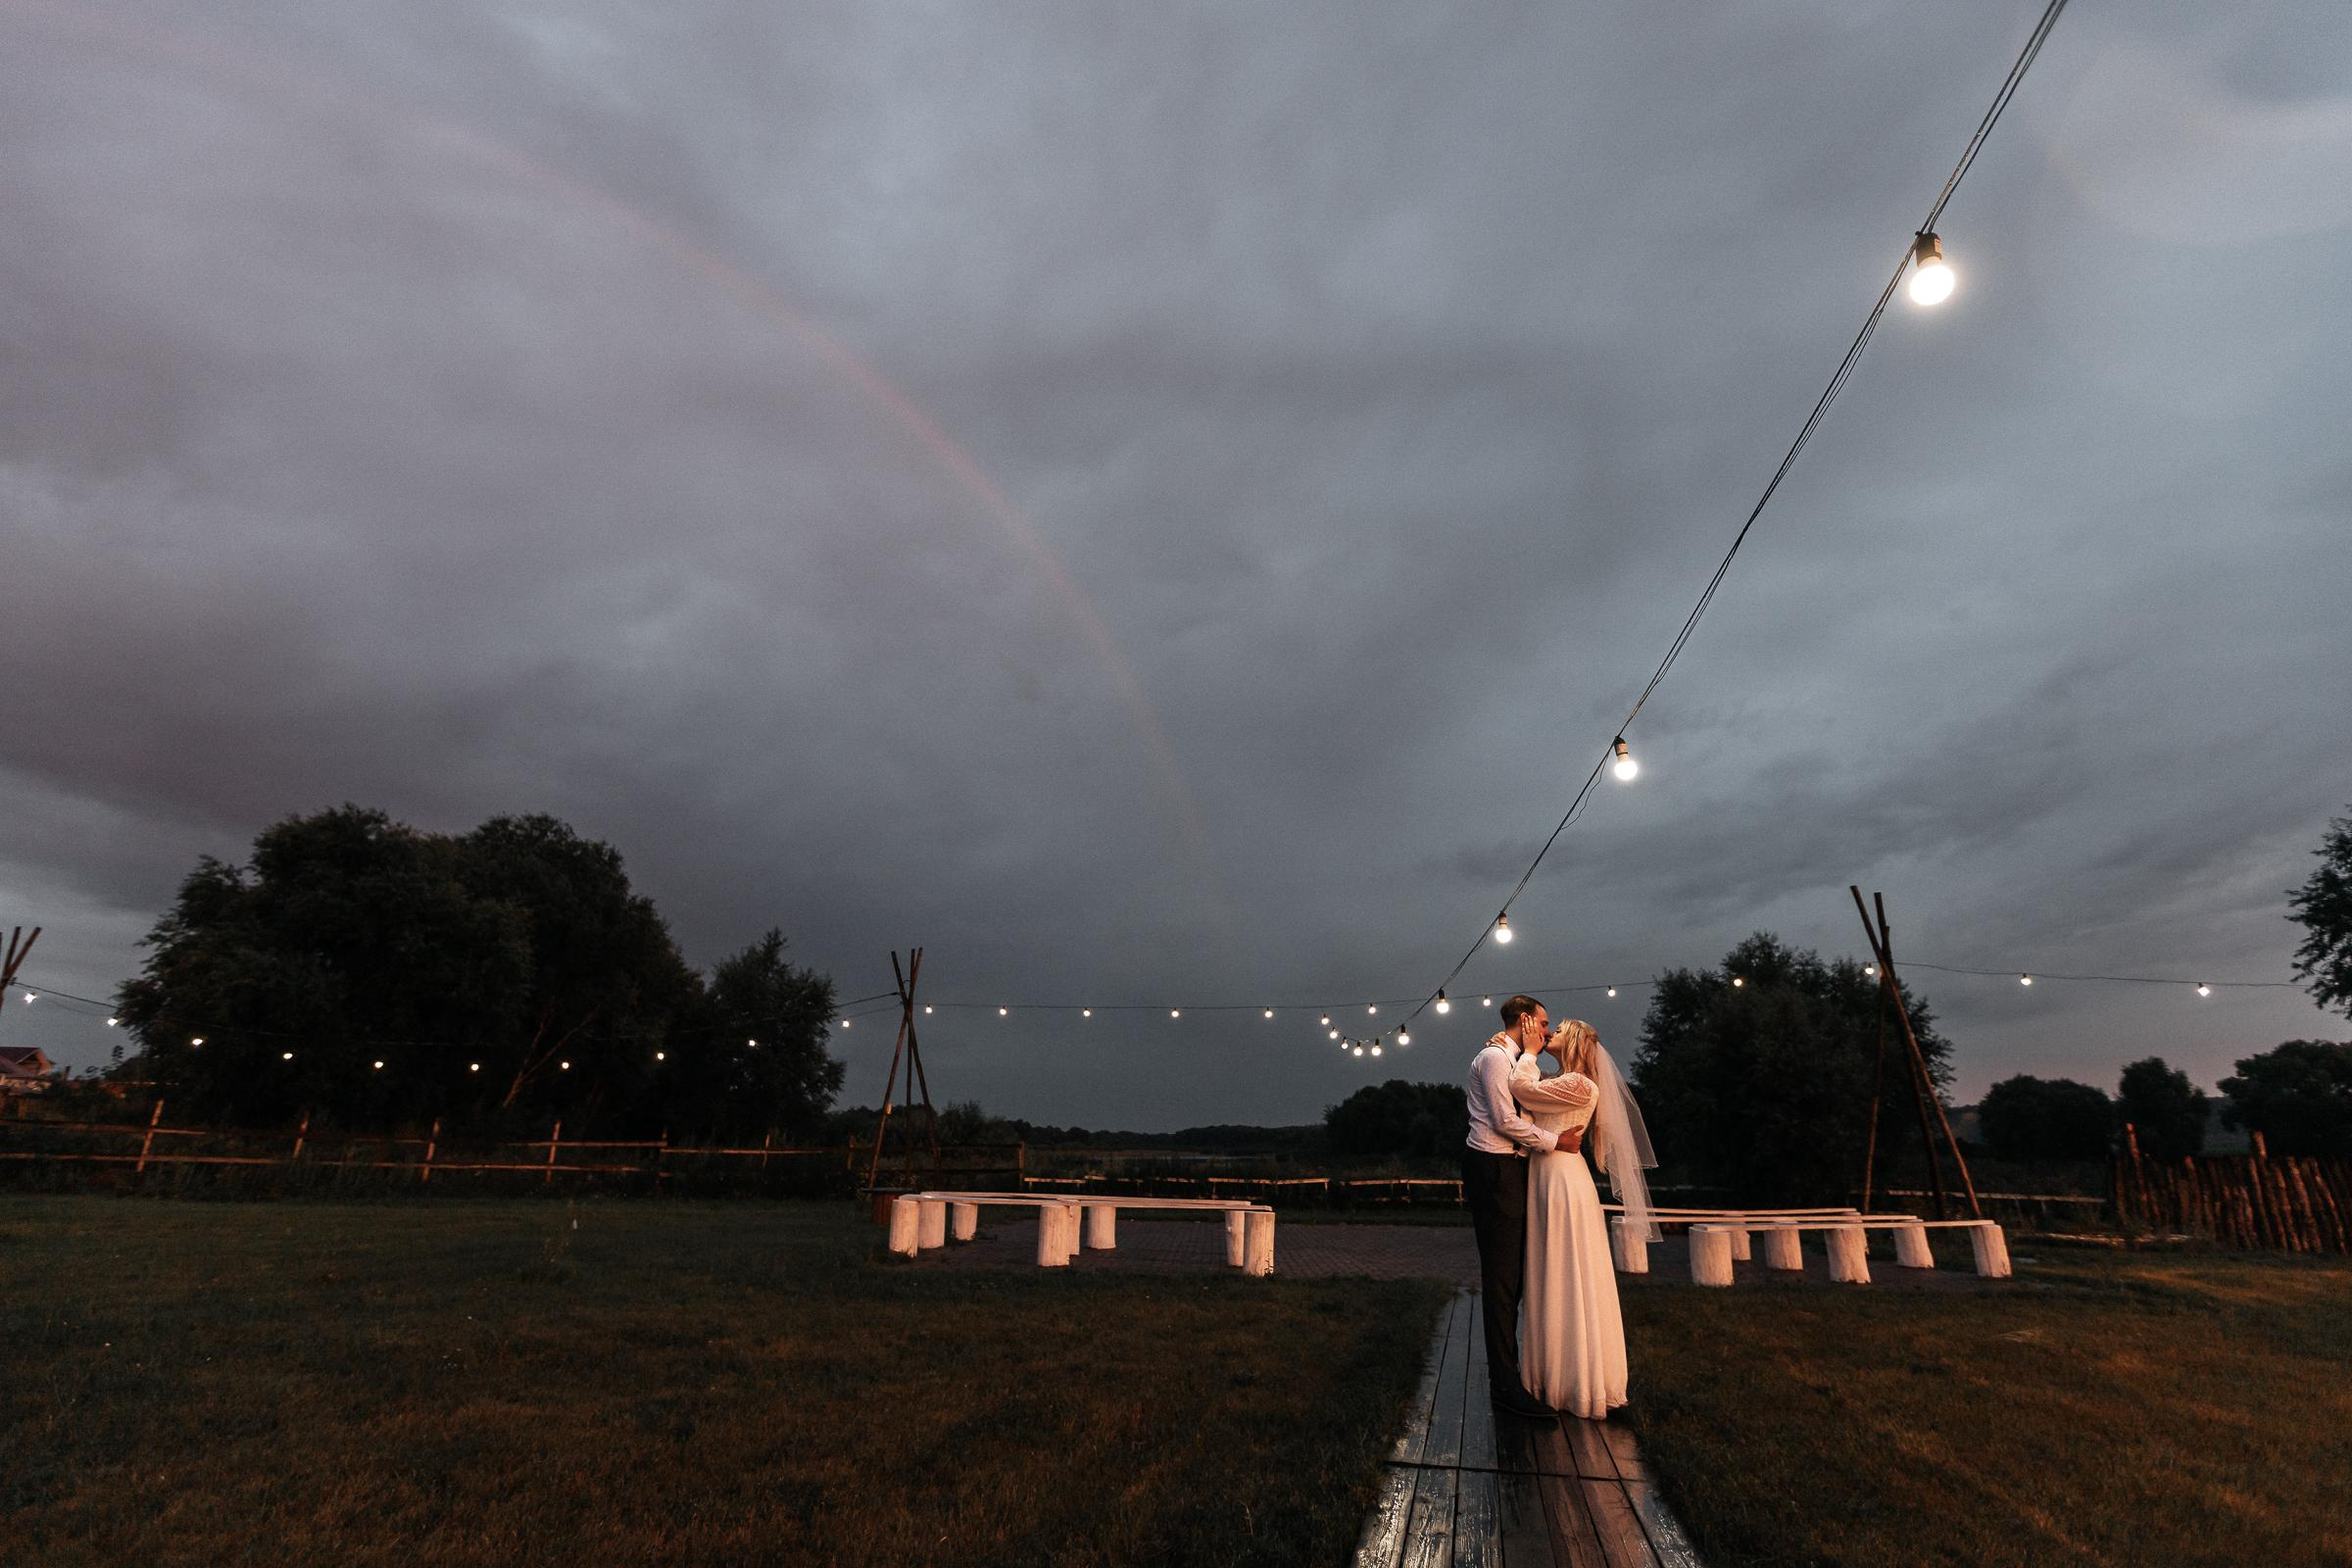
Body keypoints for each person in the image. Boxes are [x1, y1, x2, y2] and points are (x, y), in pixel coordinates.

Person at [1510, 1016, 1654, 1418]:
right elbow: (1527, 1108)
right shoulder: (1562, 1080)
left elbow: (1521, 1088)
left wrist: (1529, 1051)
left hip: (1562, 1183)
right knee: (1551, 1270)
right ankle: (1551, 1375)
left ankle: (1576, 1381)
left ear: (1572, 1042)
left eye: (1557, 1031)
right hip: (1547, 1176)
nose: (1549, 1032)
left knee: (1566, 1270)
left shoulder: (1580, 1084)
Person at [1461, 994, 1580, 1416]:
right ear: (1526, 1020)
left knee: (1514, 1276)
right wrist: (1557, 1142)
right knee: (1501, 1280)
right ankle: (1505, 1387)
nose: (1548, 1031)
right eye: (1544, 1023)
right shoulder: (1494, 1059)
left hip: (1510, 1170)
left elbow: (1532, 1093)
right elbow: (1504, 1120)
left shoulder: (1514, 1058)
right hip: (1494, 1171)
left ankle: (1514, 1373)